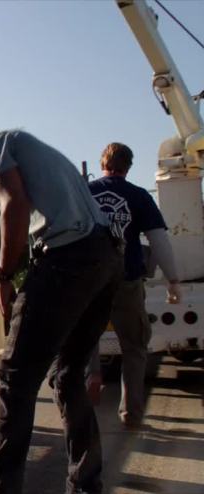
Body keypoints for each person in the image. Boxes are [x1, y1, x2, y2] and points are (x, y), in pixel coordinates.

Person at [0, 118, 122, 494]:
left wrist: (4, 276)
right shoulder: (27, 145)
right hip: (105, 258)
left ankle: (1, 486)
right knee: (67, 376)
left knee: (14, 379)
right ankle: (85, 484)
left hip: (67, 258)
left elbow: (13, 206)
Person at [87, 142, 181, 428]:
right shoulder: (138, 196)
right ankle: (131, 414)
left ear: (102, 163)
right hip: (126, 281)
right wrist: (173, 280)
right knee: (135, 347)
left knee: (85, 338)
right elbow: (159, 241)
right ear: (128, 167)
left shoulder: (84, 193)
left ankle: (92, 377)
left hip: (89, 282)